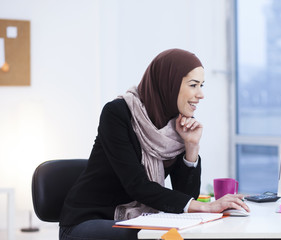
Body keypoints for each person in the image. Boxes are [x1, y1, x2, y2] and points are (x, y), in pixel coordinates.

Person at [59, 49, 249, 240]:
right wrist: (205, 206)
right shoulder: (117, 113)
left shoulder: (176, 125)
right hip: (87, 221)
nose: (201, 94)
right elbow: (137, 186)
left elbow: (185, 197)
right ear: (169, 84)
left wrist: (191, 146)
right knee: (155, 237)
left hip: (138, 219)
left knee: (182, 234)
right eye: (193, 85)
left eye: (201, 85)